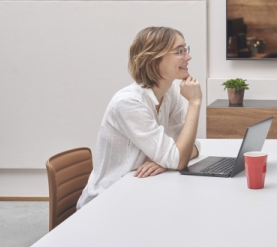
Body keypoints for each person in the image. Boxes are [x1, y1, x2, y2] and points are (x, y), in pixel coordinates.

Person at [77, 27, 203, 209]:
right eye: (179, 51)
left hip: (140, 190)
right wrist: (195, 102)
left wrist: (168, 160)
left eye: (186, 50)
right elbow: (179, 157)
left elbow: (189, 146)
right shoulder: (129, 103)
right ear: (154, 59)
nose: (188, 57)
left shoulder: (171, 93)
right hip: (107, 201)